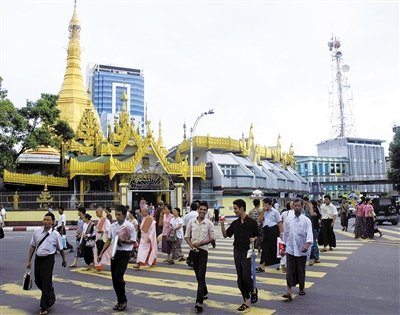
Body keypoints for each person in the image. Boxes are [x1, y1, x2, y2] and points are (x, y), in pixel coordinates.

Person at [221, 199, 259, 312]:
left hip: (247, 252)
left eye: (235, 208)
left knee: (246, 276)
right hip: (237, 251)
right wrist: (222, 224)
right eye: (234, 209)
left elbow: (258, 235)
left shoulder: (252, 222)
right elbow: (225, 235)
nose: (234, 211)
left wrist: (254, 238)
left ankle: (253, 290)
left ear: (242, 208)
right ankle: (245, 301)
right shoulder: (235, 223)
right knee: (240, 278)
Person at [26, 212, 67, 315]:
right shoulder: (37, 232)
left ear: (53, 222)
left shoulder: (56, 234)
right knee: (38, 281)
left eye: (49, 220)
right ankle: (50, 293)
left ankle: (44, 307)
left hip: (49, 260)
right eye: (45, 219)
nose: (46, 221)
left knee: (45, 282)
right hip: (38, 259)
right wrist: (29, 260)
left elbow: (61, 249)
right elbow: (32, 246)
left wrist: (64, 260)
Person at [98, 205, 136, 312]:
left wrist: (123, 241)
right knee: (114, 279)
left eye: (119, 215)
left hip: (125, 253)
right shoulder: (113, 226)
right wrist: (101, 254)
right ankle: (120, 301)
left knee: (118, 276)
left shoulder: (129, 226)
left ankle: (123, 300)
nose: (117, 217)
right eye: (116, 214)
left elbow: (133, 240)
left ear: (124, 215)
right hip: (115, 253)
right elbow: (109, 240)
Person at [185, 201, 216, 312]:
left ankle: (199, 301)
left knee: (201, 275)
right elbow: (187, 236)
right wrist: (192, 246)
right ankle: (205, 291)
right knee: (198, 275)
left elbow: (213, 238)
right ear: (198, 210)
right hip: (193, 252)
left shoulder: (209, 223)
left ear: (206, 211)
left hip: (203, 251)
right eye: (201, 209)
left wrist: (201, 244)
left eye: (204, 210)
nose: (202, 211)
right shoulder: (191, 222)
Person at [281, 198, 313, 301]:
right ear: (292, 206)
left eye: (298, 206)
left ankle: (301, 288)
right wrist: (283, 248)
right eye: (295, 205)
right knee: (289, 270)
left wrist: (307, 245)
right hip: (290, 249)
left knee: (300, 270)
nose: (297, 207)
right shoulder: (288, 220)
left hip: (301, 249)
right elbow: (285, 234)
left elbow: (309, 234)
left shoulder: (306, 220)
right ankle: (289, 291)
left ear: (302, 206)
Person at [256, 198, 282, 272]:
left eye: (263, 204)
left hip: (273, 231)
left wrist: (281, 233)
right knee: (265, 248)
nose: (263, 205)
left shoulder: (275, 212)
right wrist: (263, 211)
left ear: (268, 204)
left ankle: (282, 263)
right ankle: (262, 266)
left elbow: (279, 223)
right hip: (266, 231)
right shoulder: (264, 212)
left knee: (275, 249)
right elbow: (259, 220)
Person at [308, 200, 321, 266]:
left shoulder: (315, 210)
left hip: (315, 228)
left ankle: (315, 257)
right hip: (311, 228)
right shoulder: (309, 209)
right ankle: (315, 257)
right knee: (312, 243)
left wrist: (311, 208)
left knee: (313, 243)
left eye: (310, 203)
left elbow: (312, 214)